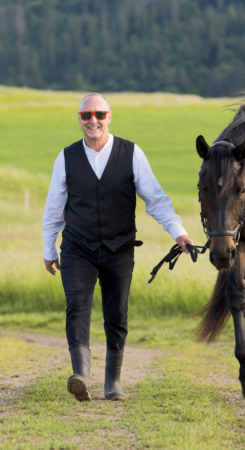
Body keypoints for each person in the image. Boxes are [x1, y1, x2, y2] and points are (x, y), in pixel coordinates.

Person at [42, 93, 194, 401]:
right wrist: (49, 247)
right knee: (77, 307)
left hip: (119, 248)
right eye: (86, 115)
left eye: (99, 114)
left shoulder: (132, 153)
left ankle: (113, 382)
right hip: (77, 247)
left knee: (116, 314)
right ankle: (81, 376)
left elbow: (156, 199)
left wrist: (178, 232)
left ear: (110, 116)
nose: (93, 120)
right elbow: (54, 208)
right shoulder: (66, 157)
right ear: (80, 119)